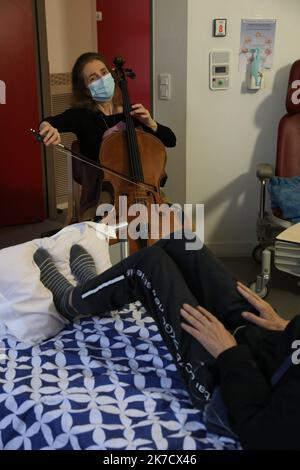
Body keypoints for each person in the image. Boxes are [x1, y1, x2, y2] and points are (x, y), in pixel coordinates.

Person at [33, 232, 300, 450]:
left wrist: (228, 352)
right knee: (182, 242)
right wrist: (288, 325)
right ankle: (101, 289)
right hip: (270, 346)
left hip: (232, 388)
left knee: (148, 265)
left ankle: (68, 302)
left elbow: (263, 435)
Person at [39, 52, 176, 218]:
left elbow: (171, 140)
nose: (102, 79)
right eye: (93, 78)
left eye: (104, 73)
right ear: (86, 90)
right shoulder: (81, 115)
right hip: (104, 195)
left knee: (178, 222)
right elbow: (48, 122)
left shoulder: (132, 112)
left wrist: (150, 123)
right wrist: (47, 128)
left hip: (144, 191)